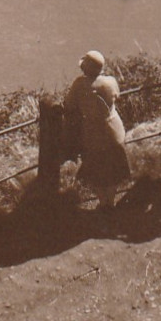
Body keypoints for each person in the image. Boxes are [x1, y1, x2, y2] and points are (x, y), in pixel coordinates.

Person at [63, 50, 130, 209]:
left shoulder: (79, 84)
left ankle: (103, 203)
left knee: (96, 168)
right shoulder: (111, 81)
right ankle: (111, 202)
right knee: (113, 167)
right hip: (114, 130)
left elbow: (69, 104)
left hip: (94, 133)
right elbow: (117, 96)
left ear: (85, 68)